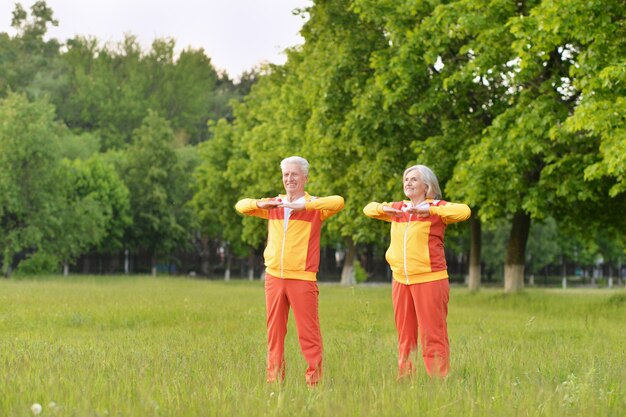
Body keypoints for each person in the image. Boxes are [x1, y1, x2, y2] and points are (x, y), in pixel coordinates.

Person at [235, 156, 344, 386]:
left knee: (309, 334)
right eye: (286, 174)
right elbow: (241, 205)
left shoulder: (315, 207)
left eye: (294, 174)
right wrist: (259, 204)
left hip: (302, 278)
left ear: (305, 177)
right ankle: (274, 381)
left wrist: (306, 205)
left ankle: (314, 383)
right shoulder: (274, 204)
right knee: (274, 334)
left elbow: (338, 201)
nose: (289, 178)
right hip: (274, 277)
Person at [363, 164, 470, 379]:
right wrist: (384, 209)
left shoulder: (437, 208)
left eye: (413, 179)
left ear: (427, 186)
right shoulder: (399, 208)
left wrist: (430, 209)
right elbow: (368, 208)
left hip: (430, 279)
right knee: (405, 335)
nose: (408, 183)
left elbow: (464, 211)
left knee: (433, 334)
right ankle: (405, 379)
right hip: (400, 280)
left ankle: (438, 380)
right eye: (406, 179)